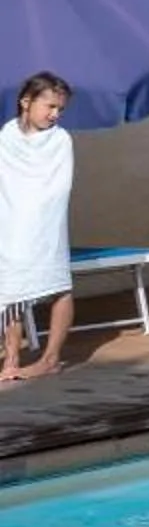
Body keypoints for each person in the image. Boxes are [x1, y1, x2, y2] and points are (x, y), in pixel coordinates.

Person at [0, 73, 76, 384]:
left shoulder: (60, 140)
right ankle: (13, 358)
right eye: (51, 106)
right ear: (26, 102)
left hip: (46, 223)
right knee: (9, 287)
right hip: (9, 219)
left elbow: (58, 187)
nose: (55, 114)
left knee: (59, 286)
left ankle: (50, 359)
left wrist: (34, 214)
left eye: (60, 109)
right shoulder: (6, 136)